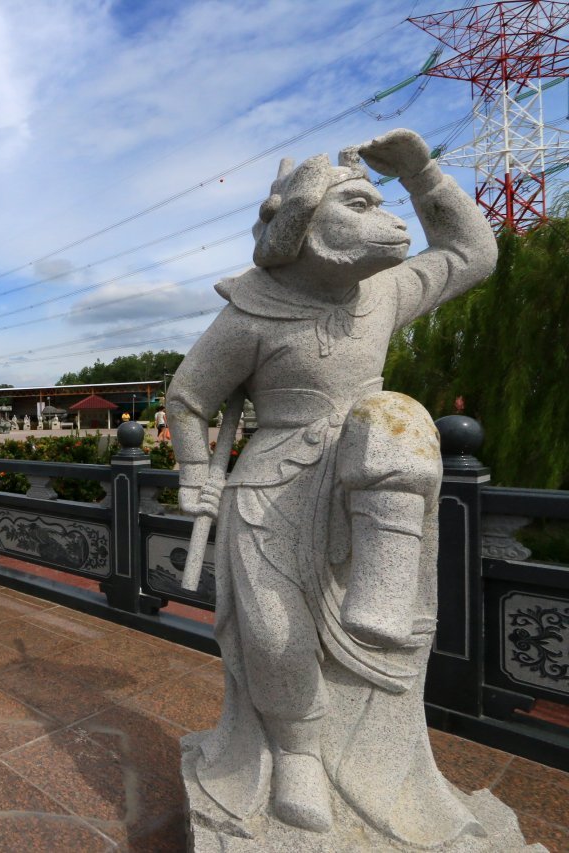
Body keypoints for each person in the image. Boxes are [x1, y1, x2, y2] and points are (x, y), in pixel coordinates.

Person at [168, 129, 497, 842]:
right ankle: (295, 754)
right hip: (273, 489)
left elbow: (474, 255)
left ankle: (381, 596)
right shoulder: (252, 311)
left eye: (380, 203)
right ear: (304, 225)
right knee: (277, 636)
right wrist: (197, 471)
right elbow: (189, 396)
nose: (388, 219)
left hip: (367, 480)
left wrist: (424, 176)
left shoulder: (382, 292)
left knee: (395, 416)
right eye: (359, 203)